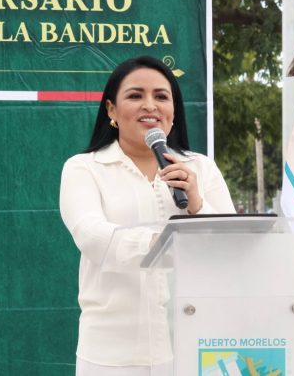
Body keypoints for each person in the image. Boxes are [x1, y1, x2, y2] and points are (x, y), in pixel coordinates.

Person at [59, 55, 235, 375]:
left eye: (161, 97)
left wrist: (197, 204)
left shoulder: (200, 169)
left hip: (195, 347)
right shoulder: (83, 169)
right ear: (111, 110)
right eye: (135, 95)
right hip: (111, 354)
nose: (150, 106)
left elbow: (230, 248)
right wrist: (172, 247)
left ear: (173, 112)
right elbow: (93, 236)